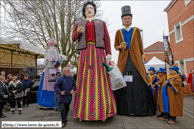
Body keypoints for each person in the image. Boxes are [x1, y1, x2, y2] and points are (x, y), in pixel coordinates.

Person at [72, 1, 117, 121]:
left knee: (100, 78)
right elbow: (73, 38)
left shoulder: (101, 23)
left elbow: (106, 38)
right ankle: (83, 111)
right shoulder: (79, 23)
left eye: (91, 8)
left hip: (98, 52)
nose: (89, 10)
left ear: (94, 10)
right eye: (87, 9)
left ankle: (103, 111)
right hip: (84, 52)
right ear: (84, 11)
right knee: (84, 79)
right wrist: (78, 32)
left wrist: (108, 53)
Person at [113, 5, 155, 116]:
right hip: (123, 59)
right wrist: (119, 48)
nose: (127, 20)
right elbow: (115, 45)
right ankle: (124, 109)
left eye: (129, 18)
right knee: (122, 80)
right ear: (122, 20)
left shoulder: (136, 30)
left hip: (135, 58)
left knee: (140, 80)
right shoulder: (118, 32)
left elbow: (140, 44)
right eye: (125, 18)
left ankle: (139, 109)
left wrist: (142, 54)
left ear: (131, 20)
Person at [37, 38, 64, 108]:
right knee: (47, 85)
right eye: (51, 40)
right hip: (48, 68)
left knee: (56, 84)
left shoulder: (56, 50)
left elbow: (58, 57)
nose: (52, 41)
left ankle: (56, 102)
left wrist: (57, 61)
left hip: (54, 68)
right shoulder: (47, 50)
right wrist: (46, 61)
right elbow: (45, 59)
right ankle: (47, 102)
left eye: (53, 40)